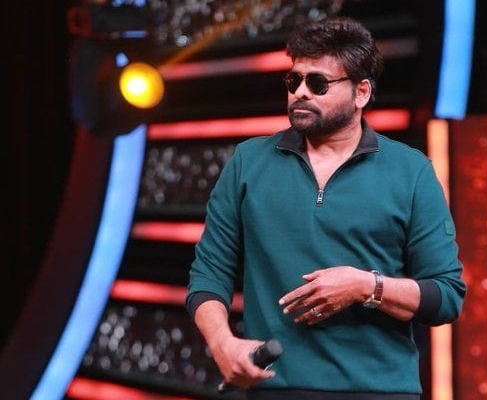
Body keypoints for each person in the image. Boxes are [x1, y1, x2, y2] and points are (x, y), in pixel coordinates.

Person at [186, 16, 466, 400]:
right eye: (293, 81)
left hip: (378, 391)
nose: (300, 92)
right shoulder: (248, 163)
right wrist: (222, 342)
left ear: (361, 92)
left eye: (317, 83)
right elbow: (208, 275)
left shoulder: (410, 170)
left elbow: (445, 296)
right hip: (277, 389)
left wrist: (367, 286)